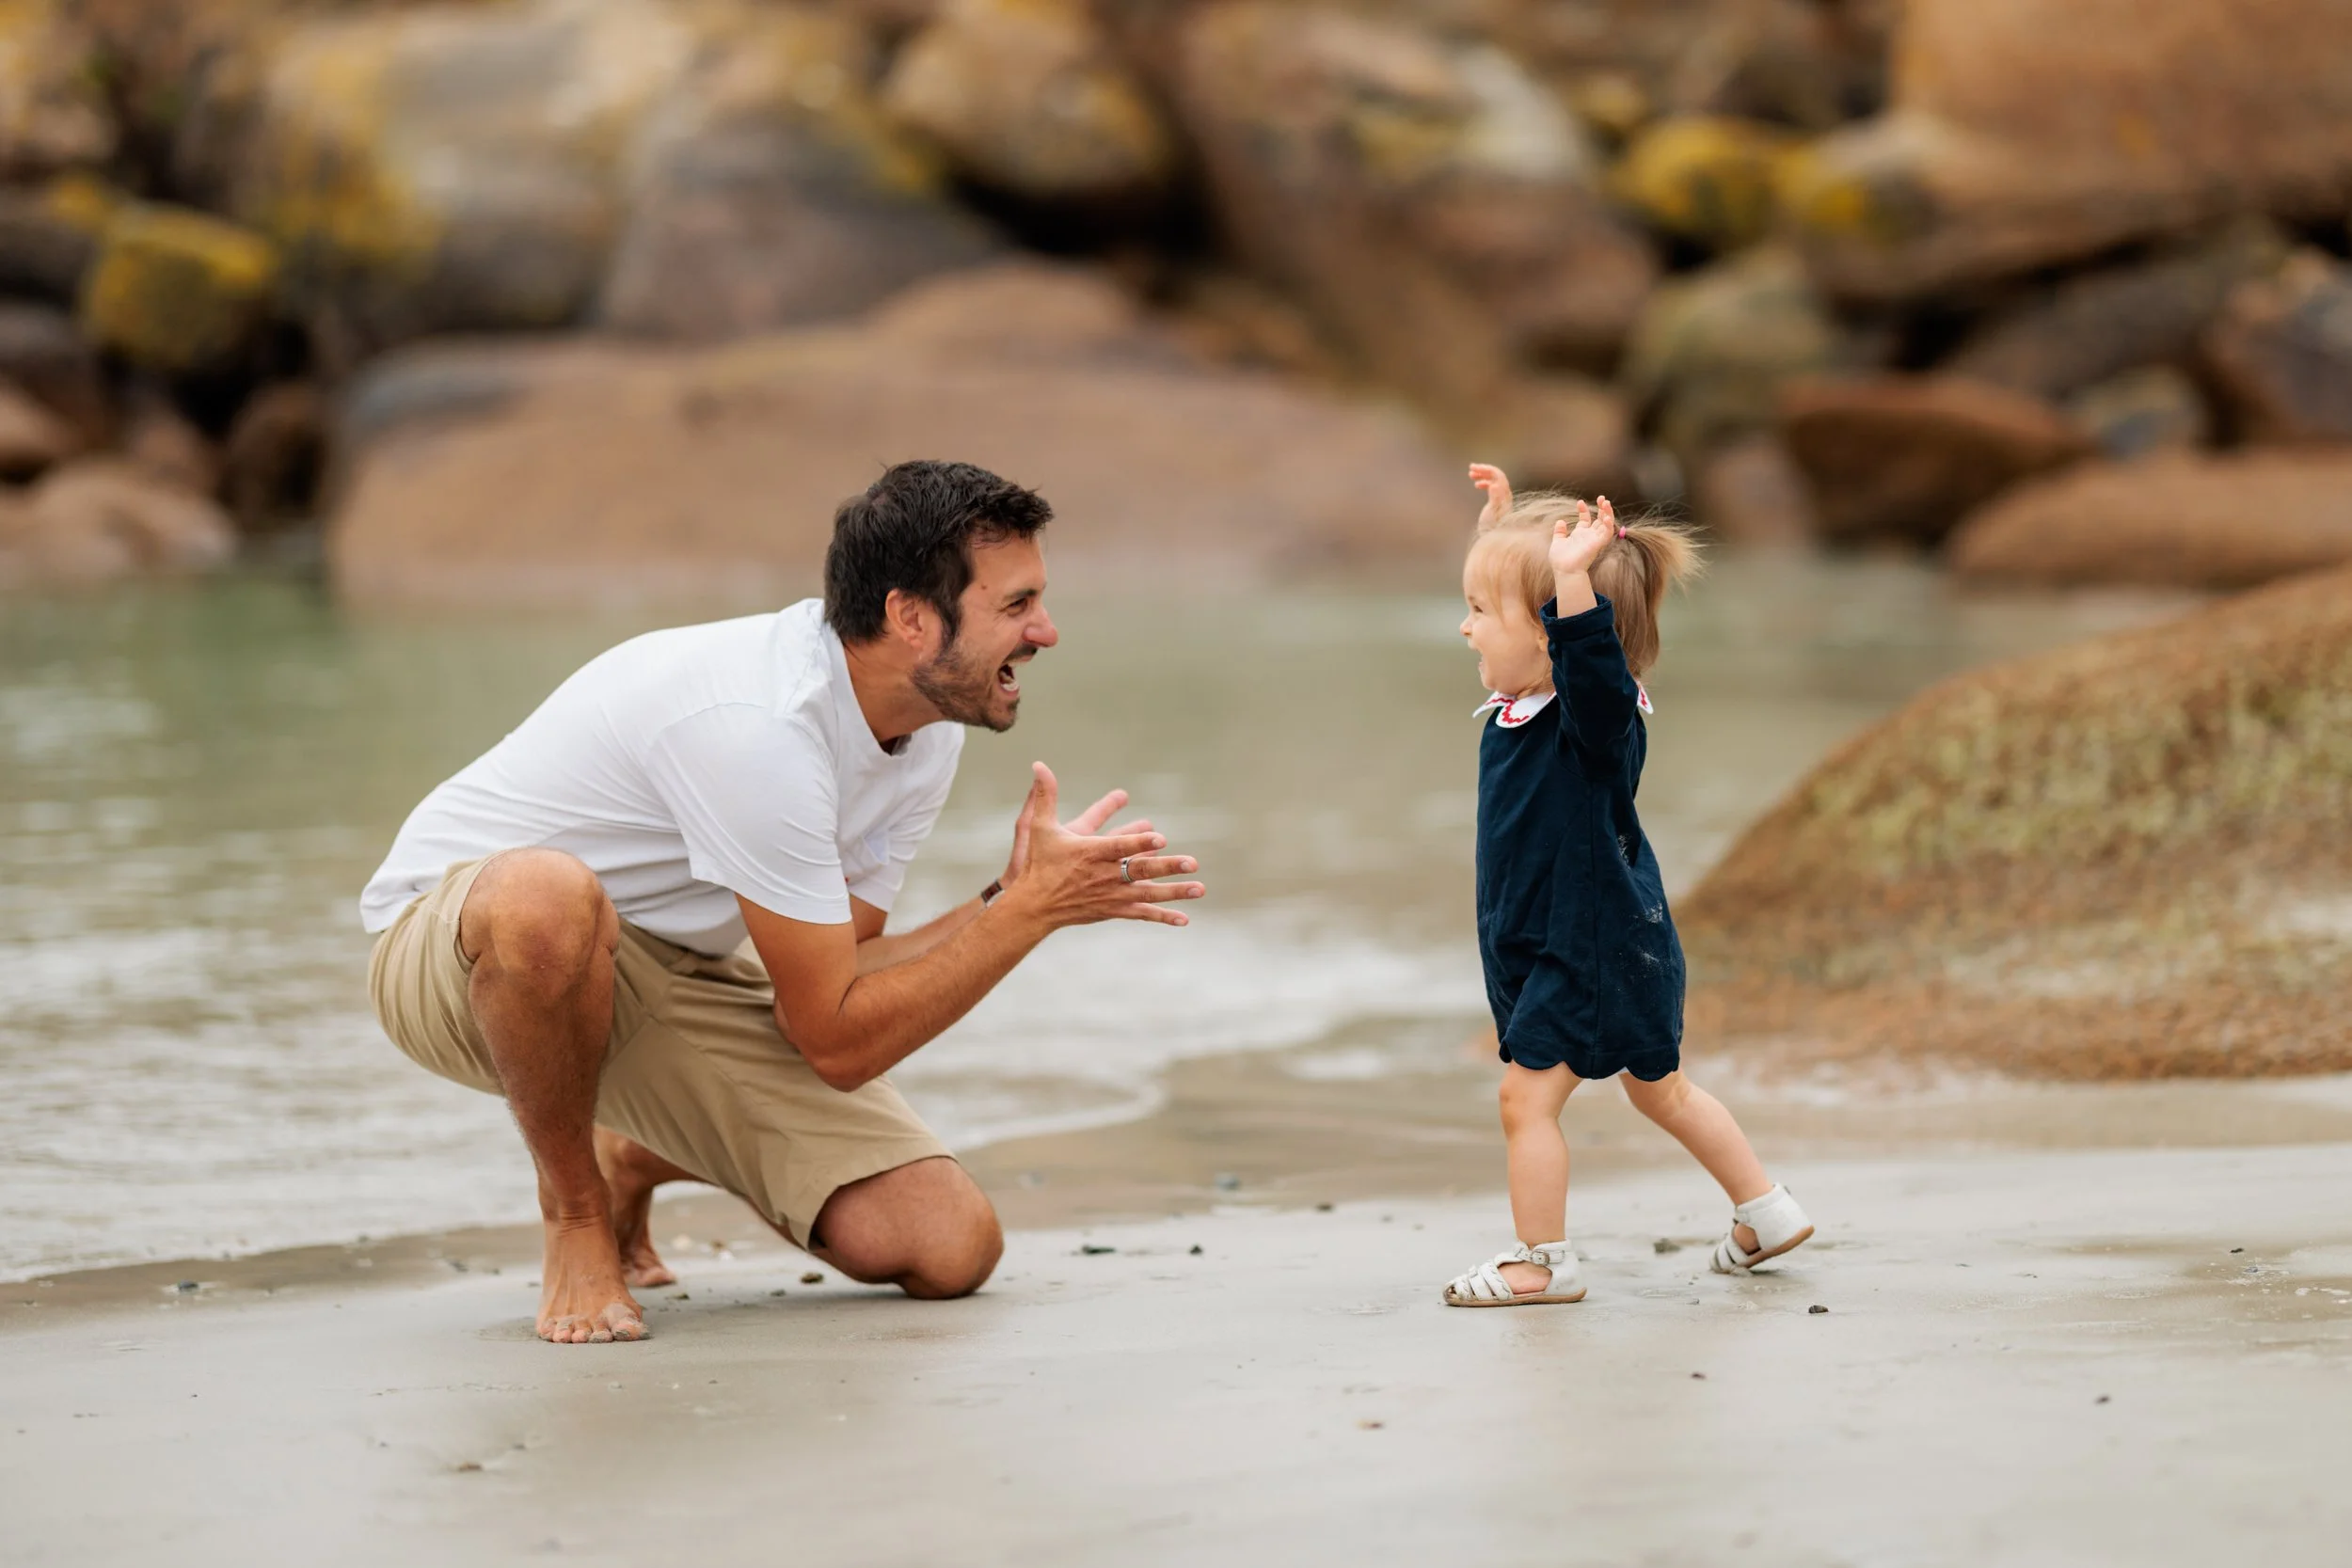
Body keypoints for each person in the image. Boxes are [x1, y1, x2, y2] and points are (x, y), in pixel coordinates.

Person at [359, 460, 1206, 1343]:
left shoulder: (921, 730)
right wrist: (1030, 915)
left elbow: (846, 976)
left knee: (948, 1246)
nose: (1046, 631)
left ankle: (639, 1148)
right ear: (911, 618)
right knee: (546, 895)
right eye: (1018, 604)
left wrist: (1013, 896)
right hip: (463, 949)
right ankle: (576, 1214)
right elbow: (836, 1041)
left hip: (665, 969)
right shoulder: (759, 727)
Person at [1441, 463, 1811, 1307]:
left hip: (1589, 948)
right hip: (1599, 941)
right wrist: (1498, 531)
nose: (1465, 627)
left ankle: (1542, 1262)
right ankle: (1766, 1210)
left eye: (1480, 611)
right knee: (1661, 1090)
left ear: (1555, 635)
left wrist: (1569, 586)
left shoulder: (1592, 721)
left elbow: (1588, 664)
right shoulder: (1528, 704)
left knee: (1525, 1100)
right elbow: (1537, 621)